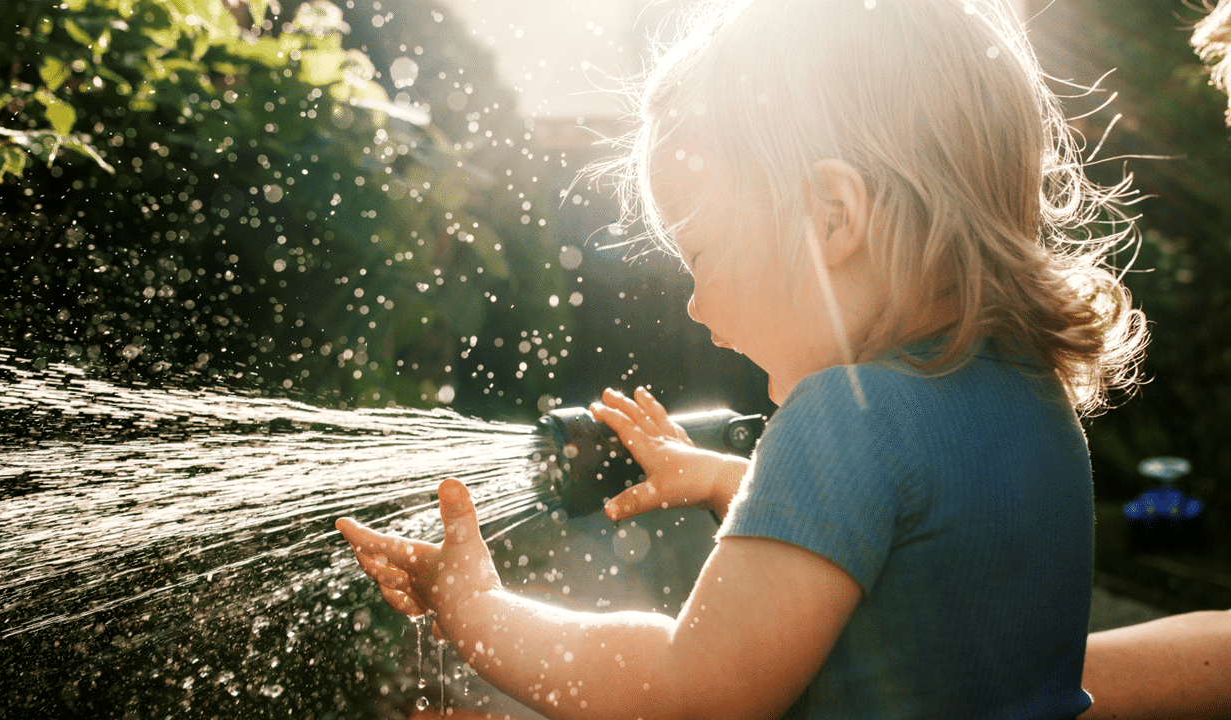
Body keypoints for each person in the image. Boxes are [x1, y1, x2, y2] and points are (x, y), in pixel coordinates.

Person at [336, 0, 1148, 717]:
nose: (696, 305)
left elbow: (686, 690)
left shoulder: (842, 420)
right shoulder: (1032, 406)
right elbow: (912, 559)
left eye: (702, 254)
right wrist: (732, 481)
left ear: (833, 216)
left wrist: (478, 612)